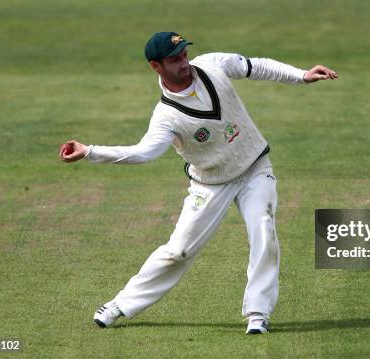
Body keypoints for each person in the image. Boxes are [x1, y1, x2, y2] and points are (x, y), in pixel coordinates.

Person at [60, 31, 337, 334]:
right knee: (178, 251)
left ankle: (258, 314)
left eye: (184, 54)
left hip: (255, 167)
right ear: (156, 66)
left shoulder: (213, 64)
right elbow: (143, 153)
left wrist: (301, 75)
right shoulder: (166, 116)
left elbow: (254, 66)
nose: (184, 63)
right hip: (210, 183)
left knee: (263, 228)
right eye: (174, 59)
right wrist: (90, 152)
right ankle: (120, 305)